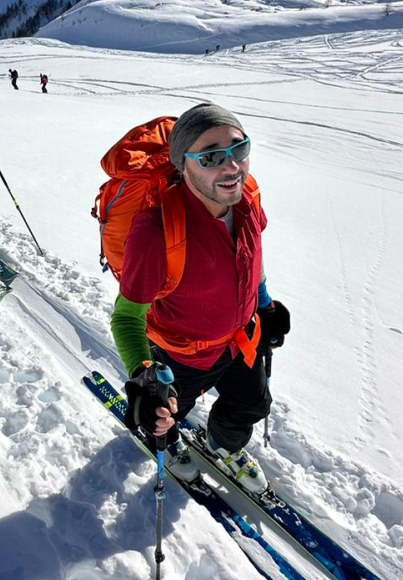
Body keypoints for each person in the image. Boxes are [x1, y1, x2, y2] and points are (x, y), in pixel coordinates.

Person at [112, 103, 291, 494]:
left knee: (252, 406)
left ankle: (223, 445)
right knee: (171, 412)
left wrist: (265, 304)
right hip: (181, 356)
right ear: (184, 164)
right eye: (210, 156)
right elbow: (126, 318)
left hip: (242, 340)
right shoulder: (156, 231)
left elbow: (250, 259)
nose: (231, 167)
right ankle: (170, 443)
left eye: (238, 149)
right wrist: (143, 377)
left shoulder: (248, 199)